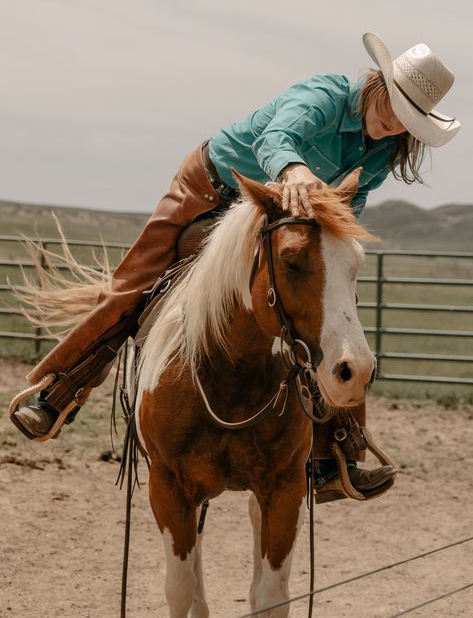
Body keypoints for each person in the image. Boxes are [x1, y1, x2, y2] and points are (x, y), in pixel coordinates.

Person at [11, 31, 460, 501]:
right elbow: (276, 137)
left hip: (277, 218)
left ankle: (333, 457)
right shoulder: (325, 96)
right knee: (133, 286)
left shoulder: (384, 151)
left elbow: (355, 198)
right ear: (378, 84)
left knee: (326, 311)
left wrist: (335, 243)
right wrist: (293, 169)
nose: (394, 122)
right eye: (394, 105)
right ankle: (59, 394)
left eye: (409, 119)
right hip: (210, 186)